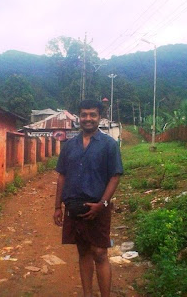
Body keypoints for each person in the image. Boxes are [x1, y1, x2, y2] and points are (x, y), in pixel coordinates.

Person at [53, 99, 123, 297]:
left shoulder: (109, 145)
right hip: (74, 207)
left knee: (100, 253)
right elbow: (62, 176)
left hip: (98, 208)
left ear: (99, 117)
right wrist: (57, 207)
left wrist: (103, 204)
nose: (88, 118)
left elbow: (115, 176)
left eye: (93, 114)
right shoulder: (69, 146)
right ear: (79, 117)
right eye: (84, 115)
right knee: (83, 252)